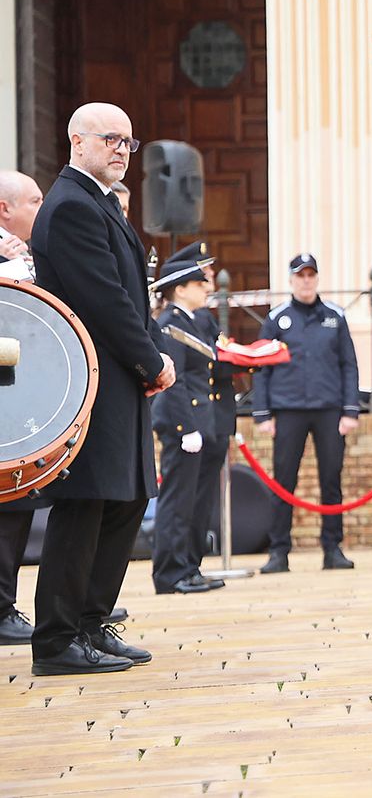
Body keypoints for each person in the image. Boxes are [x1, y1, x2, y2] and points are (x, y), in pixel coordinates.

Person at [30, 102, 175, 675]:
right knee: (86, 501)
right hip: (92, 375)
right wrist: (152, 361)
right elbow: (104, 300)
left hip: (119, 374)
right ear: (77, 141)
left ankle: (91, 623)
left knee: (126, 496)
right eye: (111, 138)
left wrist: (151, 352)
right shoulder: (70, 205)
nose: (121, 149)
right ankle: (58, 640)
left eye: (128, 142)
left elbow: (131, 295)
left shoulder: (96, 202)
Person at [253, 254, 361, 573]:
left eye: (311, 275)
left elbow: (349, 366)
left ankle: (333, 547)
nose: (306, 281)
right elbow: (262, 367)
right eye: (300, 276)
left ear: (317, 279)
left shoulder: (335, 317)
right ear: (291, 280)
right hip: (288, 409)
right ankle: (279, 551)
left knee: (332, 478)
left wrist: (350, 409)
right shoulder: (276, 318)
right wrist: (262, 413)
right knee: (284, 481)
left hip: (329, 409)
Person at [149, 256, 225, 595]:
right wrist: (184, 426)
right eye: (199, 283)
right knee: (178, 502)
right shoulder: (169, 324)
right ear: (179, 289)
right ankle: (170, 573)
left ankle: (190, 566)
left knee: (197, 502)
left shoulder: (196, 321)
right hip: (184, 424)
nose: (206, 288)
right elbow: (173, 381)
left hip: (203, 421)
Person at [0, 170, 44, 645]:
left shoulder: (28, 253)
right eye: (33, 200)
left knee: (17, 501)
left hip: (20, 393)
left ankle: (4, 604)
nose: (41, 207)